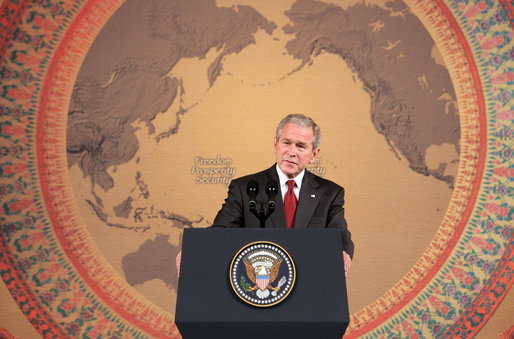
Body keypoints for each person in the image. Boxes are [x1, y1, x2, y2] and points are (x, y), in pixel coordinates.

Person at [177, 114, 354, 276]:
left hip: (308, 281)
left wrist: (343, 252)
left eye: (301, 146)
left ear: (314, 154)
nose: (292, 152)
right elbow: (221, 232)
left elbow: (340, 236)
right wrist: (195, 249)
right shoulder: (244, 188)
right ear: (275, 144)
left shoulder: (330, 193)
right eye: (286, 143)